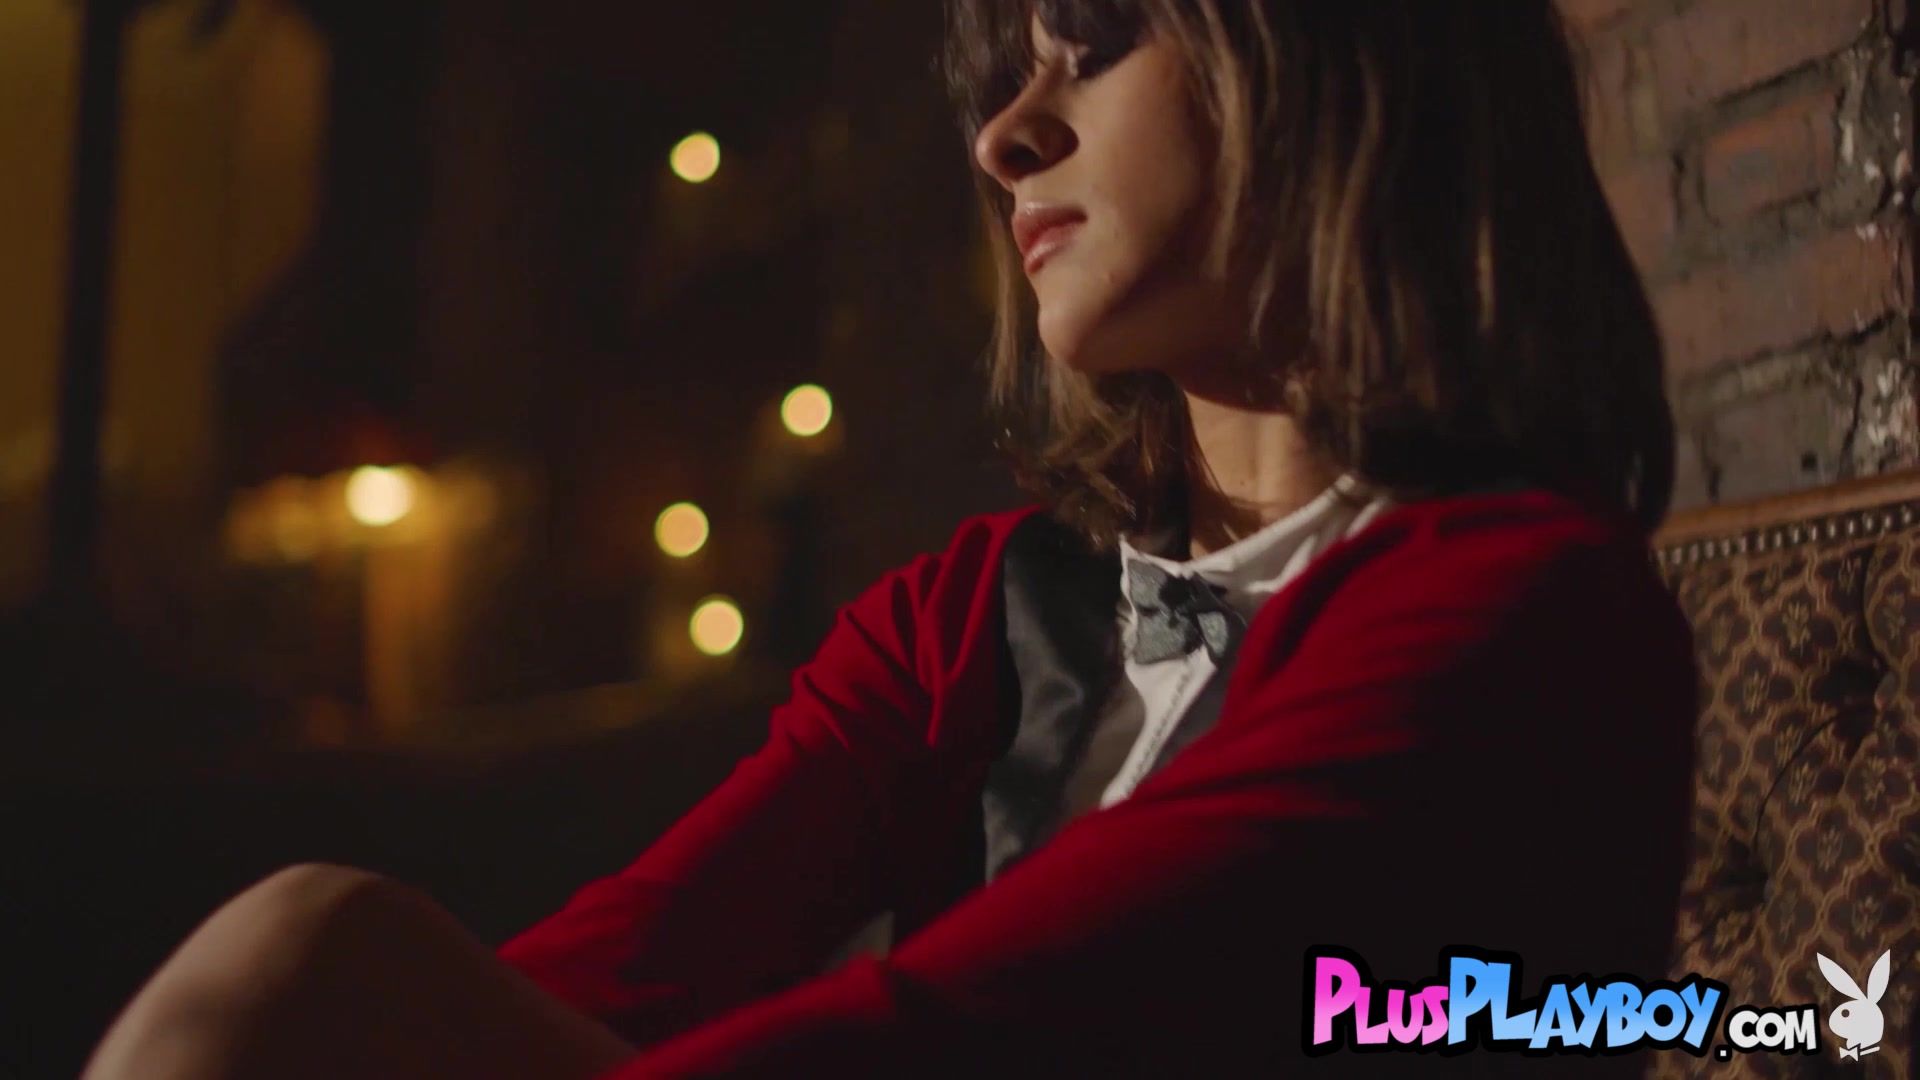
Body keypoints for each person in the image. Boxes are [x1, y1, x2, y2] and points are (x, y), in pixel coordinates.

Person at [81, 1, 1699, 1076]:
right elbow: (625, 970)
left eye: (1094, 39)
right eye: (1007, 70)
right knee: (321, 947)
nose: (1005, 135)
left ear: (1341, 48)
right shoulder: (976, 615)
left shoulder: (1522, 605)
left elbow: (992, 1036)